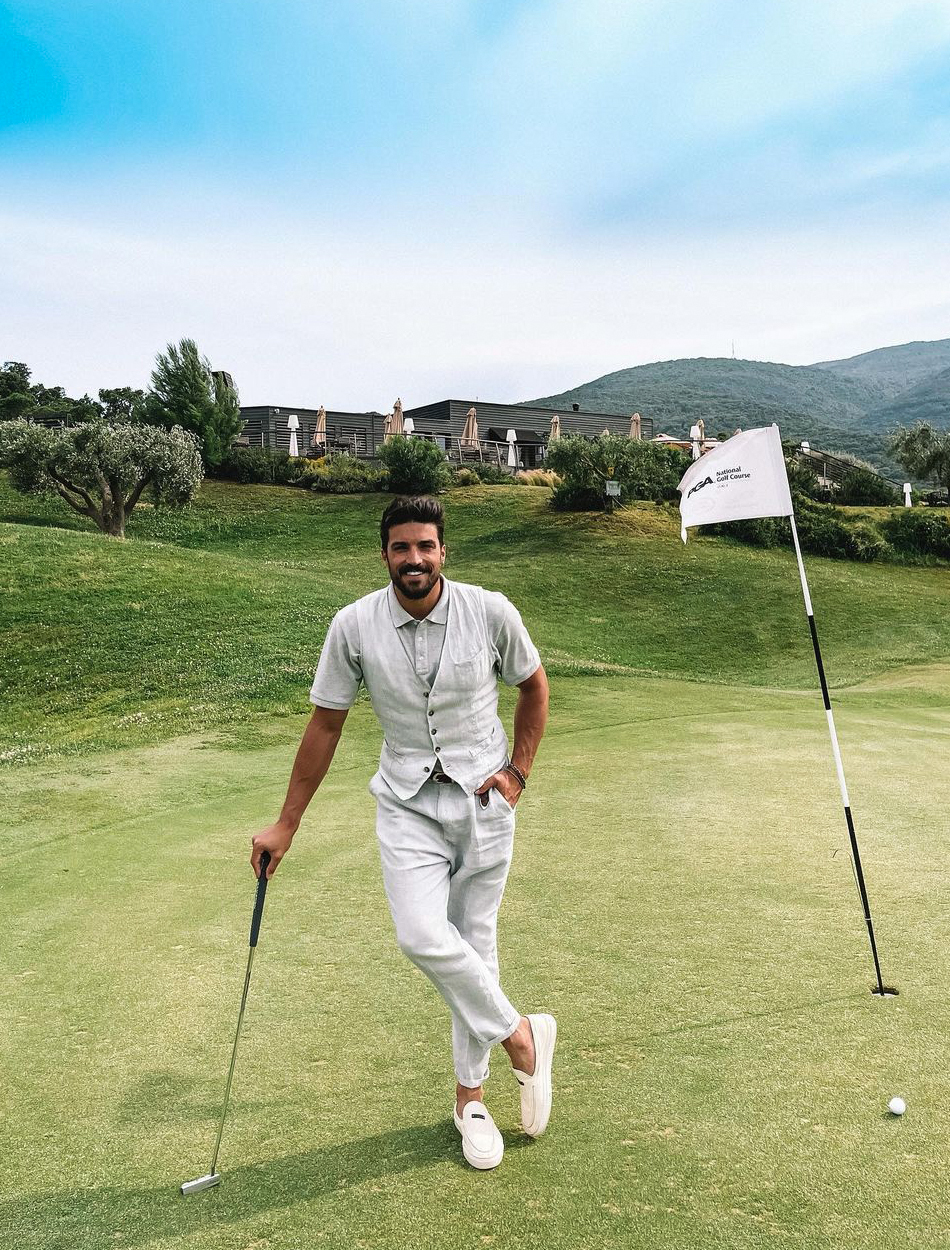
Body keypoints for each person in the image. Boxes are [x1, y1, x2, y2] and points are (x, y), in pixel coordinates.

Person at [251, 495, 554, 1171]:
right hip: (407, 805)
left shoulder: (490, 611)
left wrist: (518, 774)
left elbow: (534, 686)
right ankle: (521, 1036)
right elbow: (325, 725)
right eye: (400, 547)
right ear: (384, 554)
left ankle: (469, 1101)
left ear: (444, 551)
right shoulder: (354, 625)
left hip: (484, 802)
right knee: (422, 935)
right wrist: (286, 824)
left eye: (425, 546)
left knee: (476, 947)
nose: (413, 558)